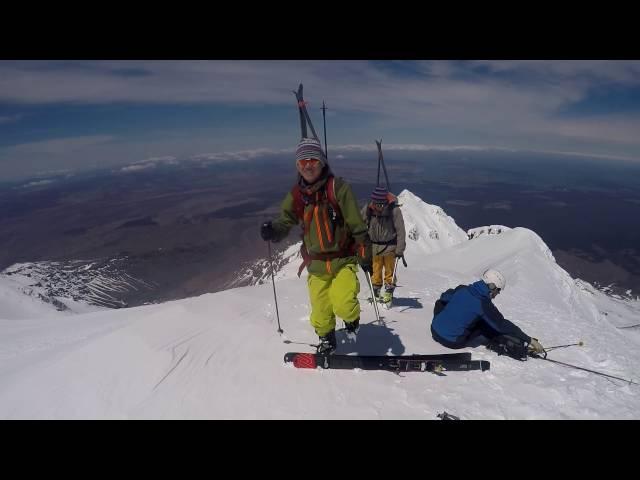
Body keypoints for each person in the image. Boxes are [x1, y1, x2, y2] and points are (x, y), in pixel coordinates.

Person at [260, 137, 372, 354]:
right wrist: (274, 230)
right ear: (297, 166)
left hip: (342, 260)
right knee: (320, 310)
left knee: (344, 303)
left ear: (322, 162)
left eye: (312, 160)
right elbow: (286, 219)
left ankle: (351, 320)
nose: (308, 166)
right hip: (317, 265)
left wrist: (365, 253)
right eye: (303, 162)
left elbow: (356, 224)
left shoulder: (337, 188)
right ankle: (327, 338)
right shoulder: (298, 196)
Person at [430, 269, 544, 357]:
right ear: (492, 287)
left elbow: (444, 297)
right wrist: (529, 340)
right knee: (486, 324)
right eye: (498, 290)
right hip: (452, 342)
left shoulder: (462, 288)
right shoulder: (484, 305)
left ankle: (444, 325)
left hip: (434, 330)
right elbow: (502, 324)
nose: (497, 294)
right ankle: (503, 344)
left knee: (441, 303)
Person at [361, 186, 405, 304]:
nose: (378, 208)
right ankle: (376, 291)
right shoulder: (369, 209)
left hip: (390, 246)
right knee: (376, 271)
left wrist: (399, 250)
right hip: (374, 246)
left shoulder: (394, 210)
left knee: (389, 271)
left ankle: (388, 292)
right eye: (376, 204)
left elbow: (401, 231)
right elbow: (360, 224)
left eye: (381, 205)